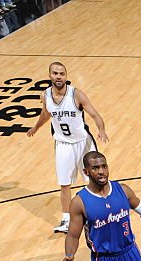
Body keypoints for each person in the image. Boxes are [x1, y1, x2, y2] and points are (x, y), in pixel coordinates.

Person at [27, 62, 109, 234]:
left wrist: (101, 129)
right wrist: (35, 127)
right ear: (50, 75)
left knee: (93, 180)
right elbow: (46, 114)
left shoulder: (76, 95)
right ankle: (66, 219)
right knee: (64, 184)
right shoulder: (45, 96)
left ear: (66, 76)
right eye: (55, 73)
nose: (59, 76)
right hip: (63, 144)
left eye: (62, 74)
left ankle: (102, 212)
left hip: (83, 143)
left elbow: (95, 115)